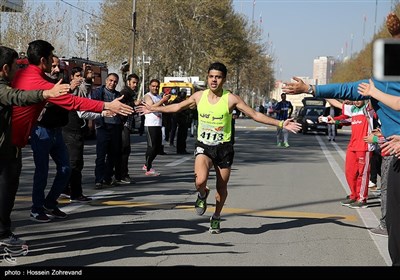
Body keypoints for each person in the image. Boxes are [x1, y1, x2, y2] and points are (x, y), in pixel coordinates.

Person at [137, 62, 301, 234]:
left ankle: (216, 216)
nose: (214, 80)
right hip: (204, 146)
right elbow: (177, 107)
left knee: (221, 189)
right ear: (207, 77)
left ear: (224, 79)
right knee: (200, 181)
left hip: (224, 148)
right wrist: (153, 108)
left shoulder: (231, 99)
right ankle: (202, 194)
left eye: (218, 77)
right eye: (211, 76)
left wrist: (281, 123)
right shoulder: (199, 96)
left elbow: (255, 114)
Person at [282, 73, 400, 265]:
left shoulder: (374, 91)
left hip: (381, 149)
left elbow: (396, 103)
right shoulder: (377, 84)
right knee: (395, 225)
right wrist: (311, 89)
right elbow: (344, 90)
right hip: (393, 154)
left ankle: (361, 198)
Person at [11, 40, 134, 222]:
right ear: (43, 60)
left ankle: (49, 203)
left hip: (56, 132)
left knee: (66, 168)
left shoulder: (51, 78)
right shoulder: (37, 79)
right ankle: (35, 210)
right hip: (39, 131)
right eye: (53, 63)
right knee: (39, 173)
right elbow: (72, 102)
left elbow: (74, 101)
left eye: (58, 65)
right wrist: (106, 105)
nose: (56, 67)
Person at [0, 45, 70, 246]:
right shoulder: (9, 87)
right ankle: (9, 230)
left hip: (15, 147)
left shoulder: (23, 82)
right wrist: (46, 94)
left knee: (64, 169)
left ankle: (46, 206)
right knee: (8, 193)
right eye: (15, 66)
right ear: (6, 68)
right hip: (29, 139)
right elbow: (18, 97)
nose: (18, 70)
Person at [323, 99, 375, 209]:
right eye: (354, 99)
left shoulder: (368, 109)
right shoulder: (352, 109)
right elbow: (337, 104)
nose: (356, 102)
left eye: (358, 99)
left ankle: (362, 199)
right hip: (353, 145)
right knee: (350, 172)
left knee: (363, 173)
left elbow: (373, 98)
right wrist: (316, 91)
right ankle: (354, 195)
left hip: (364, 146)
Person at [91, 73, 124, 188]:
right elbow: (93, 106)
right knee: (101, 155)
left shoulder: (118, 95)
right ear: (106, 80)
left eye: (115, 81)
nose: (112, 83)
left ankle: (107, 178)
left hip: (115, 127)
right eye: (110, 80)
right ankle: (98, 179)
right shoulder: (98, 92)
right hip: (103, 127)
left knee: (113, 155)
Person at [115, 73, 140, 184]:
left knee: (125, 150)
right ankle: (121, 175)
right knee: (124, 150)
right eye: (133, 82)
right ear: (128, 82)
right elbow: (122, 107)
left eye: (136, 83)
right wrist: (134, 104)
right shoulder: (125, 93)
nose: (135, 85)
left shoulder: (130, 93)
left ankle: (121, 174)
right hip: (123, 125)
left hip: (127, 125)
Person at [142, 79, 170, 176]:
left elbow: (163, 107)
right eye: (153, 86)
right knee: (152, 147)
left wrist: (165, 101)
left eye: (157, 86)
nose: (155, 88)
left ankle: (147, 164)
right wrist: (162, 100)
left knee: (158, 148)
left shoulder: (158, 96)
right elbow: (151, 107)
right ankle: (148, 167)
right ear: (150, 86)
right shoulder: (147, 96)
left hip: (158, 124)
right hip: (150, 124)